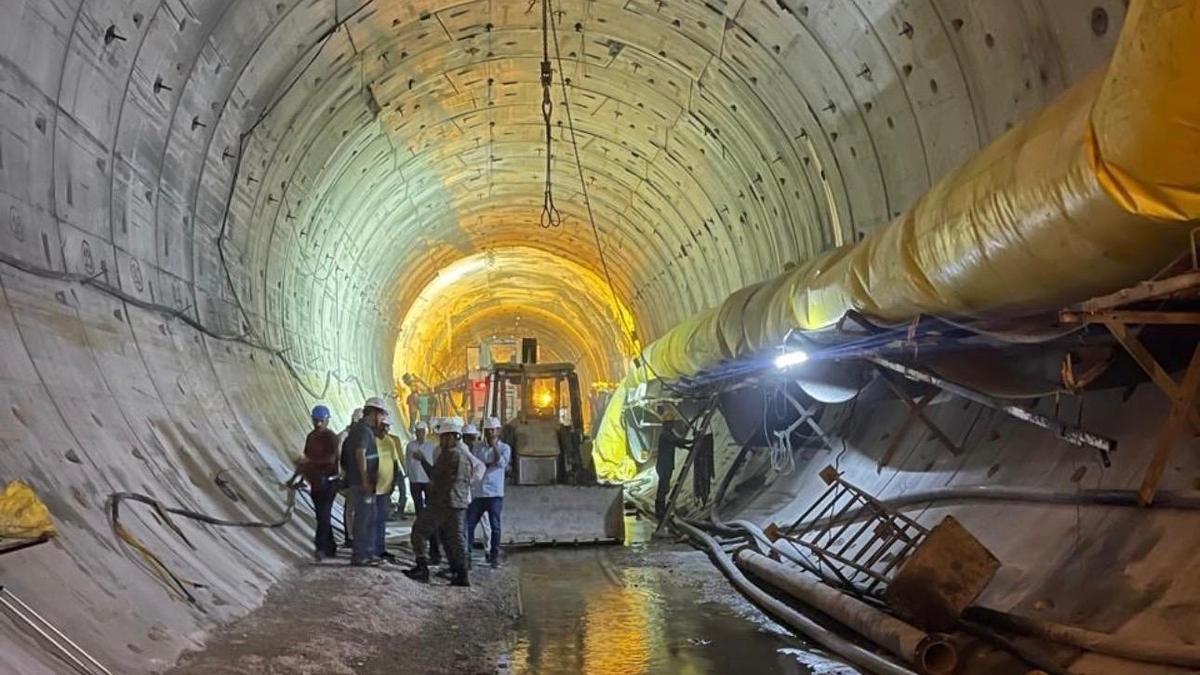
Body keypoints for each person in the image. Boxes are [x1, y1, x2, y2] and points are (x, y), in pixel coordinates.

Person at [404, 417, 473, 586]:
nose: (440, 441)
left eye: (442, 437)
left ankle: (422, 568)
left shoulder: (449, 455)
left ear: (450, 437)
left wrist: (423, 461)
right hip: (459, 503)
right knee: (454, 539)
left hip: (442, 503)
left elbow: (435, 476)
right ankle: (461, 574)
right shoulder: (464, 454)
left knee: (419, 532)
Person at [341, 398, 388, 566]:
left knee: (370, 516)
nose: (382, 420)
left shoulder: (363, 430)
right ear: (374, 413)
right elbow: (360, 454)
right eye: (382, 415)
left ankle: (367, 552)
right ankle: (360, 555)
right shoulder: (363, 431)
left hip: (364, 482)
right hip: (362, 484)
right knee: (364, 518)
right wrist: (365, 480)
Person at [292, 405, 339, 561]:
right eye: (315, 421)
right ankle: (331, 547)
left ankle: (320, 548)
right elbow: (305, 460)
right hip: (316, 483)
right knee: (322, 516)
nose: (318, 424)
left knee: (323, 515)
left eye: (321, 421)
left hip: (329, 482)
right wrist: (294, 479)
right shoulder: (311, 436)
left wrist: (311, 462)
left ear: (326, 420)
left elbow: (331, 459)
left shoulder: (330, 437)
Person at [466, 417, 511, 568]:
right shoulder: (478, 448)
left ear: (498, 431)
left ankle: (494, 557)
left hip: (495, 494)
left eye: (493, 430)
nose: (490, 433)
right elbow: (476, 465)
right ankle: (467, 556)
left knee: (495, 526)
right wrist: (488, 464)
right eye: (488, 430)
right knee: (469, 525)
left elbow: (501, 463)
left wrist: (494, 448)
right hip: (479, 493)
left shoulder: (505, 448)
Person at [406, 420, 442, 562]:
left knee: (429, 517)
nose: (420, 434)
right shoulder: (411, 446)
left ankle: (431, 552)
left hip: (428, 483)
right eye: (418, 432)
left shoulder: (431, 447)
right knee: (420, 513)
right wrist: (409, 476)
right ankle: (426, 552)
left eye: (422, 432)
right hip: (415, 481)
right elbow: (407, 462)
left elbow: (431, 465)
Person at [654, 405, 693, 521]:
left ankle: (661, 509)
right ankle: (660, 511)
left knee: (664, 488)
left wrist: (688, 447)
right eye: (670, 423)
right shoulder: (665, 435)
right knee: (663, 488)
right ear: (666, 425)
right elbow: (677, 441)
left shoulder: (668, 434)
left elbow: (677, 444)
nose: (672, 425)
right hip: (664, 466)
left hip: (666, 465)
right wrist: (691, 441)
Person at [372, 414, 401, 563]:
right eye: (383, 426)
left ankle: (380, 549)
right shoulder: (371, 441)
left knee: (381, 520)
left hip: (385, 489)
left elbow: (395, 463)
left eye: (387, 427)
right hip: (371, 489)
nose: (385, 429)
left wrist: (393, 483)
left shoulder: (389, 442)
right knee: (371, 520)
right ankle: (370, 549)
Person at [337, 408, 363, 548]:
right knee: (353, 509)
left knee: (351, 509)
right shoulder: (351, 436)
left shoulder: (348, 436)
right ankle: (353, 537)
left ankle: (352, 537)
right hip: (355, 479)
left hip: (353, 478)